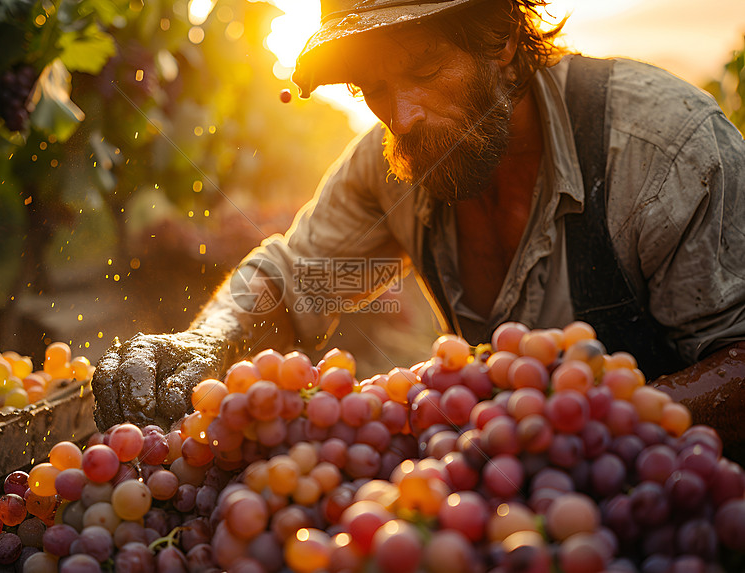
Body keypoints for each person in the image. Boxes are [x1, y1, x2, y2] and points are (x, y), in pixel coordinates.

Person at [92, 0, 745, 454]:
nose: (400, 115)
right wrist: (209, 340)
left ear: (503, 39)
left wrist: (595, 425)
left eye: (426, 70)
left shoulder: (663, 153)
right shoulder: (393, 168)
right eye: (372, 88)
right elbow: (296, 286)